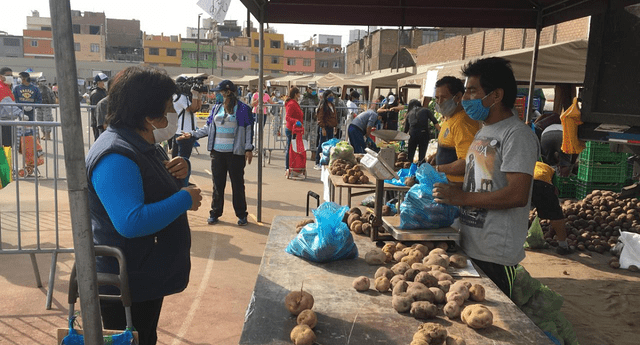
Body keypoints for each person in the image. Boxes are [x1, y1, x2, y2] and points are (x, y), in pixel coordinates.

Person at [85, 65, 202, 345]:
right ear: (148, 114)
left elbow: (154, 185)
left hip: (144, 274)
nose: (170, 115)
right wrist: (185, 199)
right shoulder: (115, 154)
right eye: (166, 108)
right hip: (126, 280)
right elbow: (131, 221)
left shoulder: (139, 142)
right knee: (134, 338)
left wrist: (180, 172)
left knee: (145, 336)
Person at [432, 57, 539, 299]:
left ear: (496, 95)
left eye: (472, 91)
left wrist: (461, 197)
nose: (465, 98)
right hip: (470, 243)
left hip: (496, 255)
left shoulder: (516, 135)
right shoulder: (484, 130)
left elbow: (518, 194)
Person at [178, 80, 254, 226]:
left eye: (220, 92)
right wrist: (191, 134)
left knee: (237, 185)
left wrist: (249, 148)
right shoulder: (216, 108)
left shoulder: (243, 109)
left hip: (235, 154)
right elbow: (208, 128)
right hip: (217, 153)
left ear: (228, 92)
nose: (217, 95)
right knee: (217, 185)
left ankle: (241, 214)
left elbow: (249, 129)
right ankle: (215, 213)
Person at [431, 76, 481, 183]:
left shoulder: (462, 122)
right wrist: (436, 157)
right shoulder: (449, 118)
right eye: (436, 98)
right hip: (445, 185)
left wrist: (437, 169)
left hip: (457, 188)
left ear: (458, 97)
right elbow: (451, 147)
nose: (439, 102)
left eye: (443, 97)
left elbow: (468, 162)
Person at [531, 161, 573, 255]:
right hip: (542, 183)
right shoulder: (550, 169)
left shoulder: (533, 163)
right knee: (556, 214)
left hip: (526, 181)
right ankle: (563, 246)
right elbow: (556, 190)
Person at [403, 99, 440, 163]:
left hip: (412, 135)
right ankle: (421, 167)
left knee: (410, 156)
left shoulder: (409, 114)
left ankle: (409, 169)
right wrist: (442, 132)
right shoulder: (426, 110)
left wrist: (401, 139)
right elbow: (435, 122)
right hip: (424, 134)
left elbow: (406, 130)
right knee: (422, 157)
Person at [172, 79, 202, 159]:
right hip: (183, 132)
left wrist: (198, 96)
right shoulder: (181, 97)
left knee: (179, 158)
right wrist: (195, 96)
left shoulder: (180, 96)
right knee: (183, 159)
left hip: (185, 131)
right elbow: (191, 109)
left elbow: (197, 109)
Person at [315, 89, 337, 169]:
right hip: (325, 127)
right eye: (330, 96)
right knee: (322, 144)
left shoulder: (332, 105)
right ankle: (317, 162)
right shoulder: (323, 106)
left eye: (332, 96)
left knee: (330, 146)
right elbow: (320, 118)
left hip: (331, 127)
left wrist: (335, 126)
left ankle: (326, 161)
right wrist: (323, 128)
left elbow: (334, 117)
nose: (331, 97)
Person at [284, 86, 304, 177]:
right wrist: (296, 121)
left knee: (294, 149)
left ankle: (294, 167)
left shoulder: (295, 103)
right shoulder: (291, 103)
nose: (300, 95)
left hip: (296, 130)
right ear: (296, 94)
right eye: (299, 93)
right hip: (291, 129)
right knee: (290, 149)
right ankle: (288, 167)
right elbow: (287, 117)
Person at [1, 67, 21, 147]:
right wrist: (20, 113)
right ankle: (4, 160)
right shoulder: (2, 88)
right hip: (4, 121)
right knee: (5, 146)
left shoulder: (9, 87)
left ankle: (5, 159)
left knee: (7, 145)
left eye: (11, 75)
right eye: (8, 75)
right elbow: (9, 105)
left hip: (8, 120)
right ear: (1, 76)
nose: (10, 77)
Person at [300, 86, 319, 161]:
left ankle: (313, 154)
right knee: (304, 137)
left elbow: (319, 106)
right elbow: (301, 107)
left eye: (313, 89)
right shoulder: (304, 97)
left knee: (313, 137)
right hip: (306, 120)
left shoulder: (316, 98)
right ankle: (303, 154)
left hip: (313, 120)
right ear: (307, 89)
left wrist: (316, 114)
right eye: (311, 89)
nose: (312, 91)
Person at [90, 73, 109, 140]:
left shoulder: (103, 91)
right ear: (98, 83)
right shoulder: (96, 93)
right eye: (103, 81)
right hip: (98, 122)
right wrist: (101, 122)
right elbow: (96, 110)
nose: (104, 83)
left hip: (103, 121)